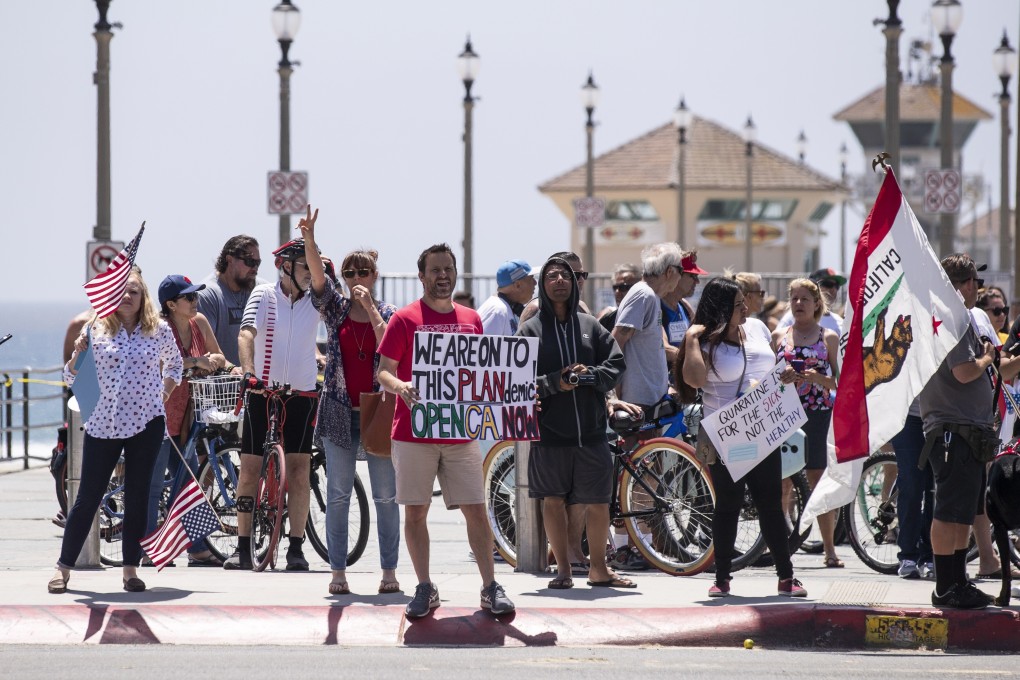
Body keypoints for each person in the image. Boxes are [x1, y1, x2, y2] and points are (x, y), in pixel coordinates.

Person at [377, 243, 515, 618]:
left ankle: (489, 587)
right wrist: (401, 386)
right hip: (412, 433)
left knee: (476, 509)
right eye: (435, 270)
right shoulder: (404, 319)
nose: (442, 276)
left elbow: (483, 375)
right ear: (421, 276)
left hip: (460, 434)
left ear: (455, 273)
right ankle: (424, 587)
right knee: (416, 513)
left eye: (448, 269)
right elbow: (383, 371)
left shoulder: (472, 319)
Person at [49, 267, 183, 594]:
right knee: (87, 497)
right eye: (121, 292)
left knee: (137, 496)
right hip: (103, 423)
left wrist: (162, 394)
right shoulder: (95, 330)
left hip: (146, 423)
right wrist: (78, 354)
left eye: (134, 292)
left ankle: (130, 570)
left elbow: (176, 366)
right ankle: (63, 568)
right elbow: (71, 379)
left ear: (144, 298)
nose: (127, 297)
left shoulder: (160, 330)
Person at [679, 277, 807, 598]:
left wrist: (786, 373)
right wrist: (692, 340)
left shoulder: (757, 329)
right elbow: (693, 381)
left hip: (763, 430)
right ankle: (722, 577)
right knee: (728, 505)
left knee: (770, 505)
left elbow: (770, 368)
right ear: (720, 309)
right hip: (728, 437)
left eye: (744, 302)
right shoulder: (706, 342)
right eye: (738, 305)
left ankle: (786, 577)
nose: (746, 308)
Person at [300, 210, 401, 596]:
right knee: (338, 493)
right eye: (351, 274)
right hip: (340, 410)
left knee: (385, 496)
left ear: (375, 276)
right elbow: (318, 278)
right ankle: (338, 571)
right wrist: (311, 240)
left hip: (378, 411)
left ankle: (388, 571)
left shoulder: (390, 313)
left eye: (364, 273)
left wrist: (372, 308)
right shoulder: (335, 308)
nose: (357, 280)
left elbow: (389, 343)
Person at [517, 256, 632, 590]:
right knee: (552, 501)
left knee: (597, 503)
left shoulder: (591, 326)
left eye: (564, 275)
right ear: (543, 285)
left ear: (573, 282)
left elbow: (616, 364)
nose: (559, 281)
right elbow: (516, 381)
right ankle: (564, 570)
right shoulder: (530, 330)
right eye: (551, 276)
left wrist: (590, 376)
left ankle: (599, 569)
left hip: (592, 433)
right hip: (549, 435)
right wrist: (556, 382)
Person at [921, 254, 1020, 608]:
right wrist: (987, 359)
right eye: (973, 282)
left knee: (962, 511)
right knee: (949, 511)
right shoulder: (951, 318)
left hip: (966, 428)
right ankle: (946, 586)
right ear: (963, 285)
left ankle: (956, 581)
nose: (976, 289)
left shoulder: (954, 316)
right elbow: (964, 371)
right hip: (954, 429)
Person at [225, 235, 320, 571]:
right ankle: (243, 546)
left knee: (299, 470)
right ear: (285, 268)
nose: (311, 272)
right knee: (249, 470)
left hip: (302, 394)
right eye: (304, 266)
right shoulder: (264, 294)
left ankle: (296, 547)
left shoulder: (316, 299)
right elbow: (247, 332)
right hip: (262, 393)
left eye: (314, 265)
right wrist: (249, 373)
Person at [144, 274, 227, 567]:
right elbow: (157, 365)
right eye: (189, 298)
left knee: (189, 483)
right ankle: (146, 547)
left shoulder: (199, 323)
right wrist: (196, 362)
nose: (195, 302)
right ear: (171, 304)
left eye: (196, 296)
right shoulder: (158, 329)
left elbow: (218, 356)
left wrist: (234, 368)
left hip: (187, 415)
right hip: (159, 415)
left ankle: (198, 547)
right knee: (153, 486)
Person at [772, 277, 841, 568]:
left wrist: (817, 378)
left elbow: (838, 381)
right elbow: (766, 380)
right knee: (782, 482)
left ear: (816, 304)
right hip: (786, 414)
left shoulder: (828, 337)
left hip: (817, 413)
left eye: (804, 299)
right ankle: (779, 546)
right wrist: (782, 376)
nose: (798, 304)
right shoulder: (779, 336)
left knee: (818, 480)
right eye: (794, 299)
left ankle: (829, 549)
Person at [197, 235, 266, 369]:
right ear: (230, 259)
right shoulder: (207, 294)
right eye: (249, 262)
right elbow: (204, 347)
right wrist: (231, 369)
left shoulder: (263, 291)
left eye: (258, 263)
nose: (255, 268)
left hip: (257, 383)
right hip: (221, 384)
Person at [776, 268, 845, 335]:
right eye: (828, 284)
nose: (833, 289)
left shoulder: (840, 322)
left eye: (836, 286)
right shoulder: (792, 318)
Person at [476, 259, 536, 336]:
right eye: (531, 279)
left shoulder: (505, 308)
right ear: (518, 285)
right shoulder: (497, 311)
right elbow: (484, 346)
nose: (535, 282)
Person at [598, 263, 641, 332]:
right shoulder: (608, 316)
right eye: (615, 287)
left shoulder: (650, 313)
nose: (617, 292)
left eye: (623, 287)